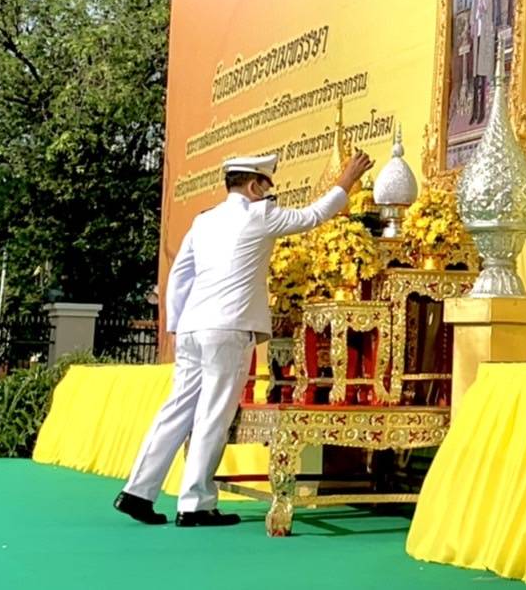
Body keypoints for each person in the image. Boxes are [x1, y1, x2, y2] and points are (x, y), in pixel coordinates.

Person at [113, 149, 373, 527]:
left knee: (177, 409)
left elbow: (180, 277)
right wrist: (346, 180)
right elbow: (315, 215)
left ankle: (137, 491)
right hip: (227, 327)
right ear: (255, 185)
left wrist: (177, 325)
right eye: (268, 185)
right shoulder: (260, 214)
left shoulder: (204, 221)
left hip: (192, 327)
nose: (271, 193)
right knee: (212, 415)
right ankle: (195, 504)